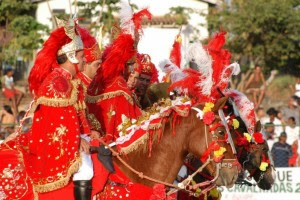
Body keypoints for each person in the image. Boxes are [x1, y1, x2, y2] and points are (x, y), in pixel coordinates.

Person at [0, 17, 89, 199]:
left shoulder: (65, 79)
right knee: (86, 170)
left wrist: (85, 134)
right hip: (50, 142)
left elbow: (72, 117)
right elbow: (59, 122)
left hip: (65, 137)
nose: (85, 60)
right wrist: (79, 140)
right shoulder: (59, 82)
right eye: (81, 56)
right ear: (72, 57)